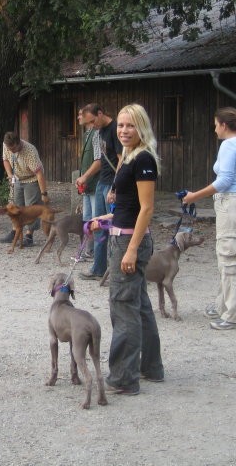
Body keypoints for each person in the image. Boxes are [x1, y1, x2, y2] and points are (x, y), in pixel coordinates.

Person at [88, 103, 164, 395]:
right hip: (123, 233)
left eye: (130, 125)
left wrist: (131, 250)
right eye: (120, 125)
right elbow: (128, 206)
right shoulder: (130, 156)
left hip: (129, 242)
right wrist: (104, 219)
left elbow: (146, 209)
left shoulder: (143, 158)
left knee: (123, 308)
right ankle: (151, 367)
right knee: (140, 305)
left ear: (141, 127)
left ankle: (123, 377)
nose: (123, 130)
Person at [183, 107, 236, 331]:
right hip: (232, 204)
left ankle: (233, 316)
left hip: (230, 203)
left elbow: (224, 181)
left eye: (215, 124)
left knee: (230, 260)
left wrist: (194, 196)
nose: (214, 129)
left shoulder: (229, 145)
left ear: (223, 125)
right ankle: (224, 305)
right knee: (226, 257)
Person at [80, 104, 122, 279]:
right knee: (98, 226)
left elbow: (122, 160)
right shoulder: (100, 131)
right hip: (101, 183)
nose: (91, 125)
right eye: (88, 123)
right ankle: (98, 268)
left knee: (114, 228)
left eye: (92, 121)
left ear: (100, 113)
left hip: (111, 183)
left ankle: (115, 270)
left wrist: (115, 187)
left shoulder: (115, 129)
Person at [0, 132, 49, 247]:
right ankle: (15, 231)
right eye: (9, 148)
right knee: (15, 206)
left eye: (13, 148)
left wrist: (44, 193)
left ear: (18, 143)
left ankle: (29, 236)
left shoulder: (30, 151)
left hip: (32, 179)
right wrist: (10, 174)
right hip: (17, 178)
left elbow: (39, 173)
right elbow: (5, 159)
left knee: (31, 207)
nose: (11, 151)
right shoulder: (6, 145)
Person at [74, 107, 101, 257]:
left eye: (81, 114)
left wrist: (85, 177)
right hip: (88, 185)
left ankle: (99, 253)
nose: (78, 117)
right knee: (87, 219)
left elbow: (99, 161)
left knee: (97, 219)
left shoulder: (97, 134)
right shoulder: (87, 135)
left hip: (96, 183)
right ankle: (89, 251)